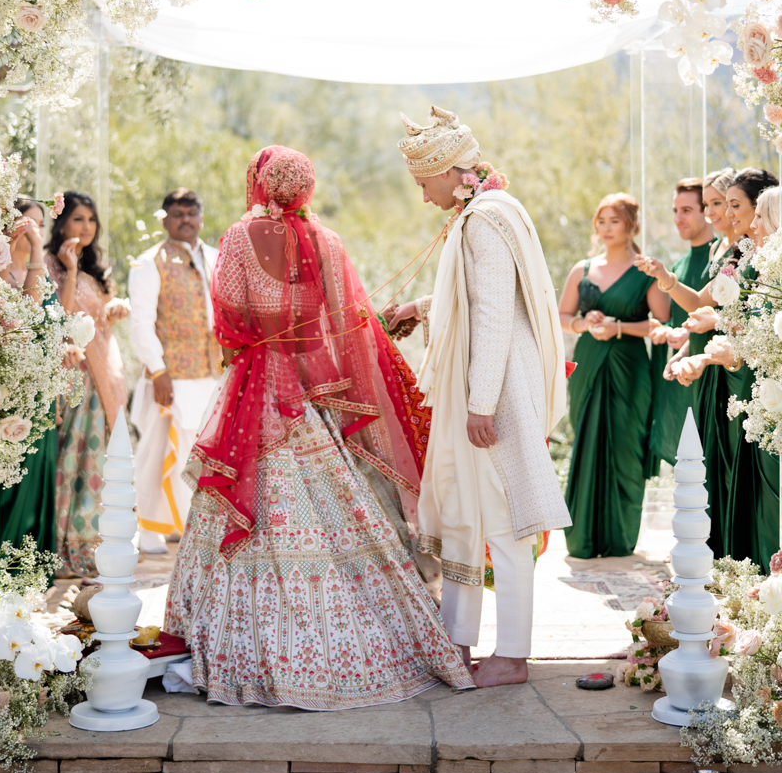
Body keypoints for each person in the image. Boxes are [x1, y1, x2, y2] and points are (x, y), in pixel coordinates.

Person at [165, 146, 473, 708]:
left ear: (259, 181)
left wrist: (258, 343)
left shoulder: (238, 237)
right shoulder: (328, 243)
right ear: (305, 186)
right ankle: (357, 644)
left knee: (244, 507)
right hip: (315, 400)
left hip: (256, 392)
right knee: (343, 513)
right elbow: (347, 326)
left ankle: (253, 652)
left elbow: (228, 319)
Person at [388, 106, 571, 688]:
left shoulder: (484, 220)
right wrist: (419, 310)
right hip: (484, 388)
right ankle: (459, 642)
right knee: (469, 512)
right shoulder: (491, 211)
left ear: (447, 171)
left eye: (423, 184)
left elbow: (492, 315)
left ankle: (512, 655)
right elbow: (476, 302)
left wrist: (481, 404)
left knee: (505, 518)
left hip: (491, 396)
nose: (422, 198)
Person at [639, 168, 779, 570]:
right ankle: (730, 559)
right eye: (718, 204)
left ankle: (750, 563)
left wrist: (709, 328)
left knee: (753, 478)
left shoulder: (755, 255)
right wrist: (690, 343)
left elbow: (737, 315)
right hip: (724, 365)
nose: (727, 214)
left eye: (730, 204)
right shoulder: (737, 253)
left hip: (748, 371)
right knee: (722, 468)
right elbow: (709, 305)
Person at [559, 193, 670, 560]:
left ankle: (620, 538)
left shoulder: (645, 270)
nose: (606, 228)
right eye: (601, 221)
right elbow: (561, 317)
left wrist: (620, 327)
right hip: (588, 365)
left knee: (626, 447)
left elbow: (662, 322)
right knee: (587, 443)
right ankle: (583, 539)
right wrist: (584, 324)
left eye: (615, 221)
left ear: (632, 226)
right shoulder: (582, 268)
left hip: (630, 369)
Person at [129, 189, 220, 555]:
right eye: (177, 213)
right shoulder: (149, 262)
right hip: (169, 375)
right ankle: (149, 531)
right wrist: (157, 370)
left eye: (191, 212)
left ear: (200, 216)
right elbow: (140, 322)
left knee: (195, 454)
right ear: (164, 219)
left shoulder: (214, 258)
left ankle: (185, 528)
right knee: (156, 452)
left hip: (209, 373)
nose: (185, 219)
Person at [46, 192, 129, 577]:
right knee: (73, 461)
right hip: (74, 378)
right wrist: (70, 268)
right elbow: (60, 317)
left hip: (104, 378)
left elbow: (98, 316)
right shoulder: (49, 264)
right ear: (61, 223)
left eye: (91, 220)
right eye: (78, 219)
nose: (86, 227)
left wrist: (114, 308)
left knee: (98, 465)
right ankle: (64, 549)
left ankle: (94, 547)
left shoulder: (95, 268)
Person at [0, 199, 56, 568]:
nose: (33, 228)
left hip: (26, 383)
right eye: (28, 221)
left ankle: (17, 563)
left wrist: (38, 250)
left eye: (40, 224)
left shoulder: (33, 270)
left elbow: (33, 311)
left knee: (19, 473)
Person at [648, 179, 714, 465]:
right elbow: (680, 319)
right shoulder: (679, 265)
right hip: (681, 372)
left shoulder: (722, 258)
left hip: (711, 374)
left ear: (707, 211)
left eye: (686, 210)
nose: (678, 218)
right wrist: (668, 333)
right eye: (675, 210)